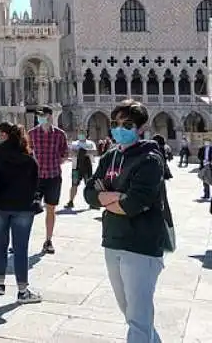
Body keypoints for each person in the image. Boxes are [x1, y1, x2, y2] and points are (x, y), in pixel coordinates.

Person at [84, 99, 167, 342]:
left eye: (127, 124)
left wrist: (106, 198)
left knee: (138, 319)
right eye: (115, 123)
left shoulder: (150, 159)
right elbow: (89, 194)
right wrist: (114, 198)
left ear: (140, 128)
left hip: (141, 244)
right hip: (113, 240)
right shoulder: (110, 156)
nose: (119, 128)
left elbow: (133, 204)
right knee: (131, 314)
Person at [0, 122, 42, 304]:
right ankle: (23, 291)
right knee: (20, 248)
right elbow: (37, 183)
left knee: (0, 244)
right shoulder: (28, 156)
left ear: (4, 135)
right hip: (23, 208)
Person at [28, 106, 68, 254]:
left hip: (53, 176)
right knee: (29, 209)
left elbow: (65, 153)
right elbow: (27, 152)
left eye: (43, 115)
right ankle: (22, 240)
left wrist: (56, 161)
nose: (40, 118)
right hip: (35, 178)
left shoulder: (59, 134)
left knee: (51, 209)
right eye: (38, 115)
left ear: (50, 116)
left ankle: (48, 240)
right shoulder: (31, 134)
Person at [65, 132, 97, 209]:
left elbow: (95, 152)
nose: (81, 135)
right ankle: (70, 201)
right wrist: (82, 152)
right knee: (74, 184)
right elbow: (70, 153)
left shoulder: (90, 143)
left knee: (89, 184)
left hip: (87, 166)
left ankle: (92, 203)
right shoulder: (74, 143)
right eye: (80, 133)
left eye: (82, 133)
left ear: (86, 134)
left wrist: (82, 152)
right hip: (76, 167)